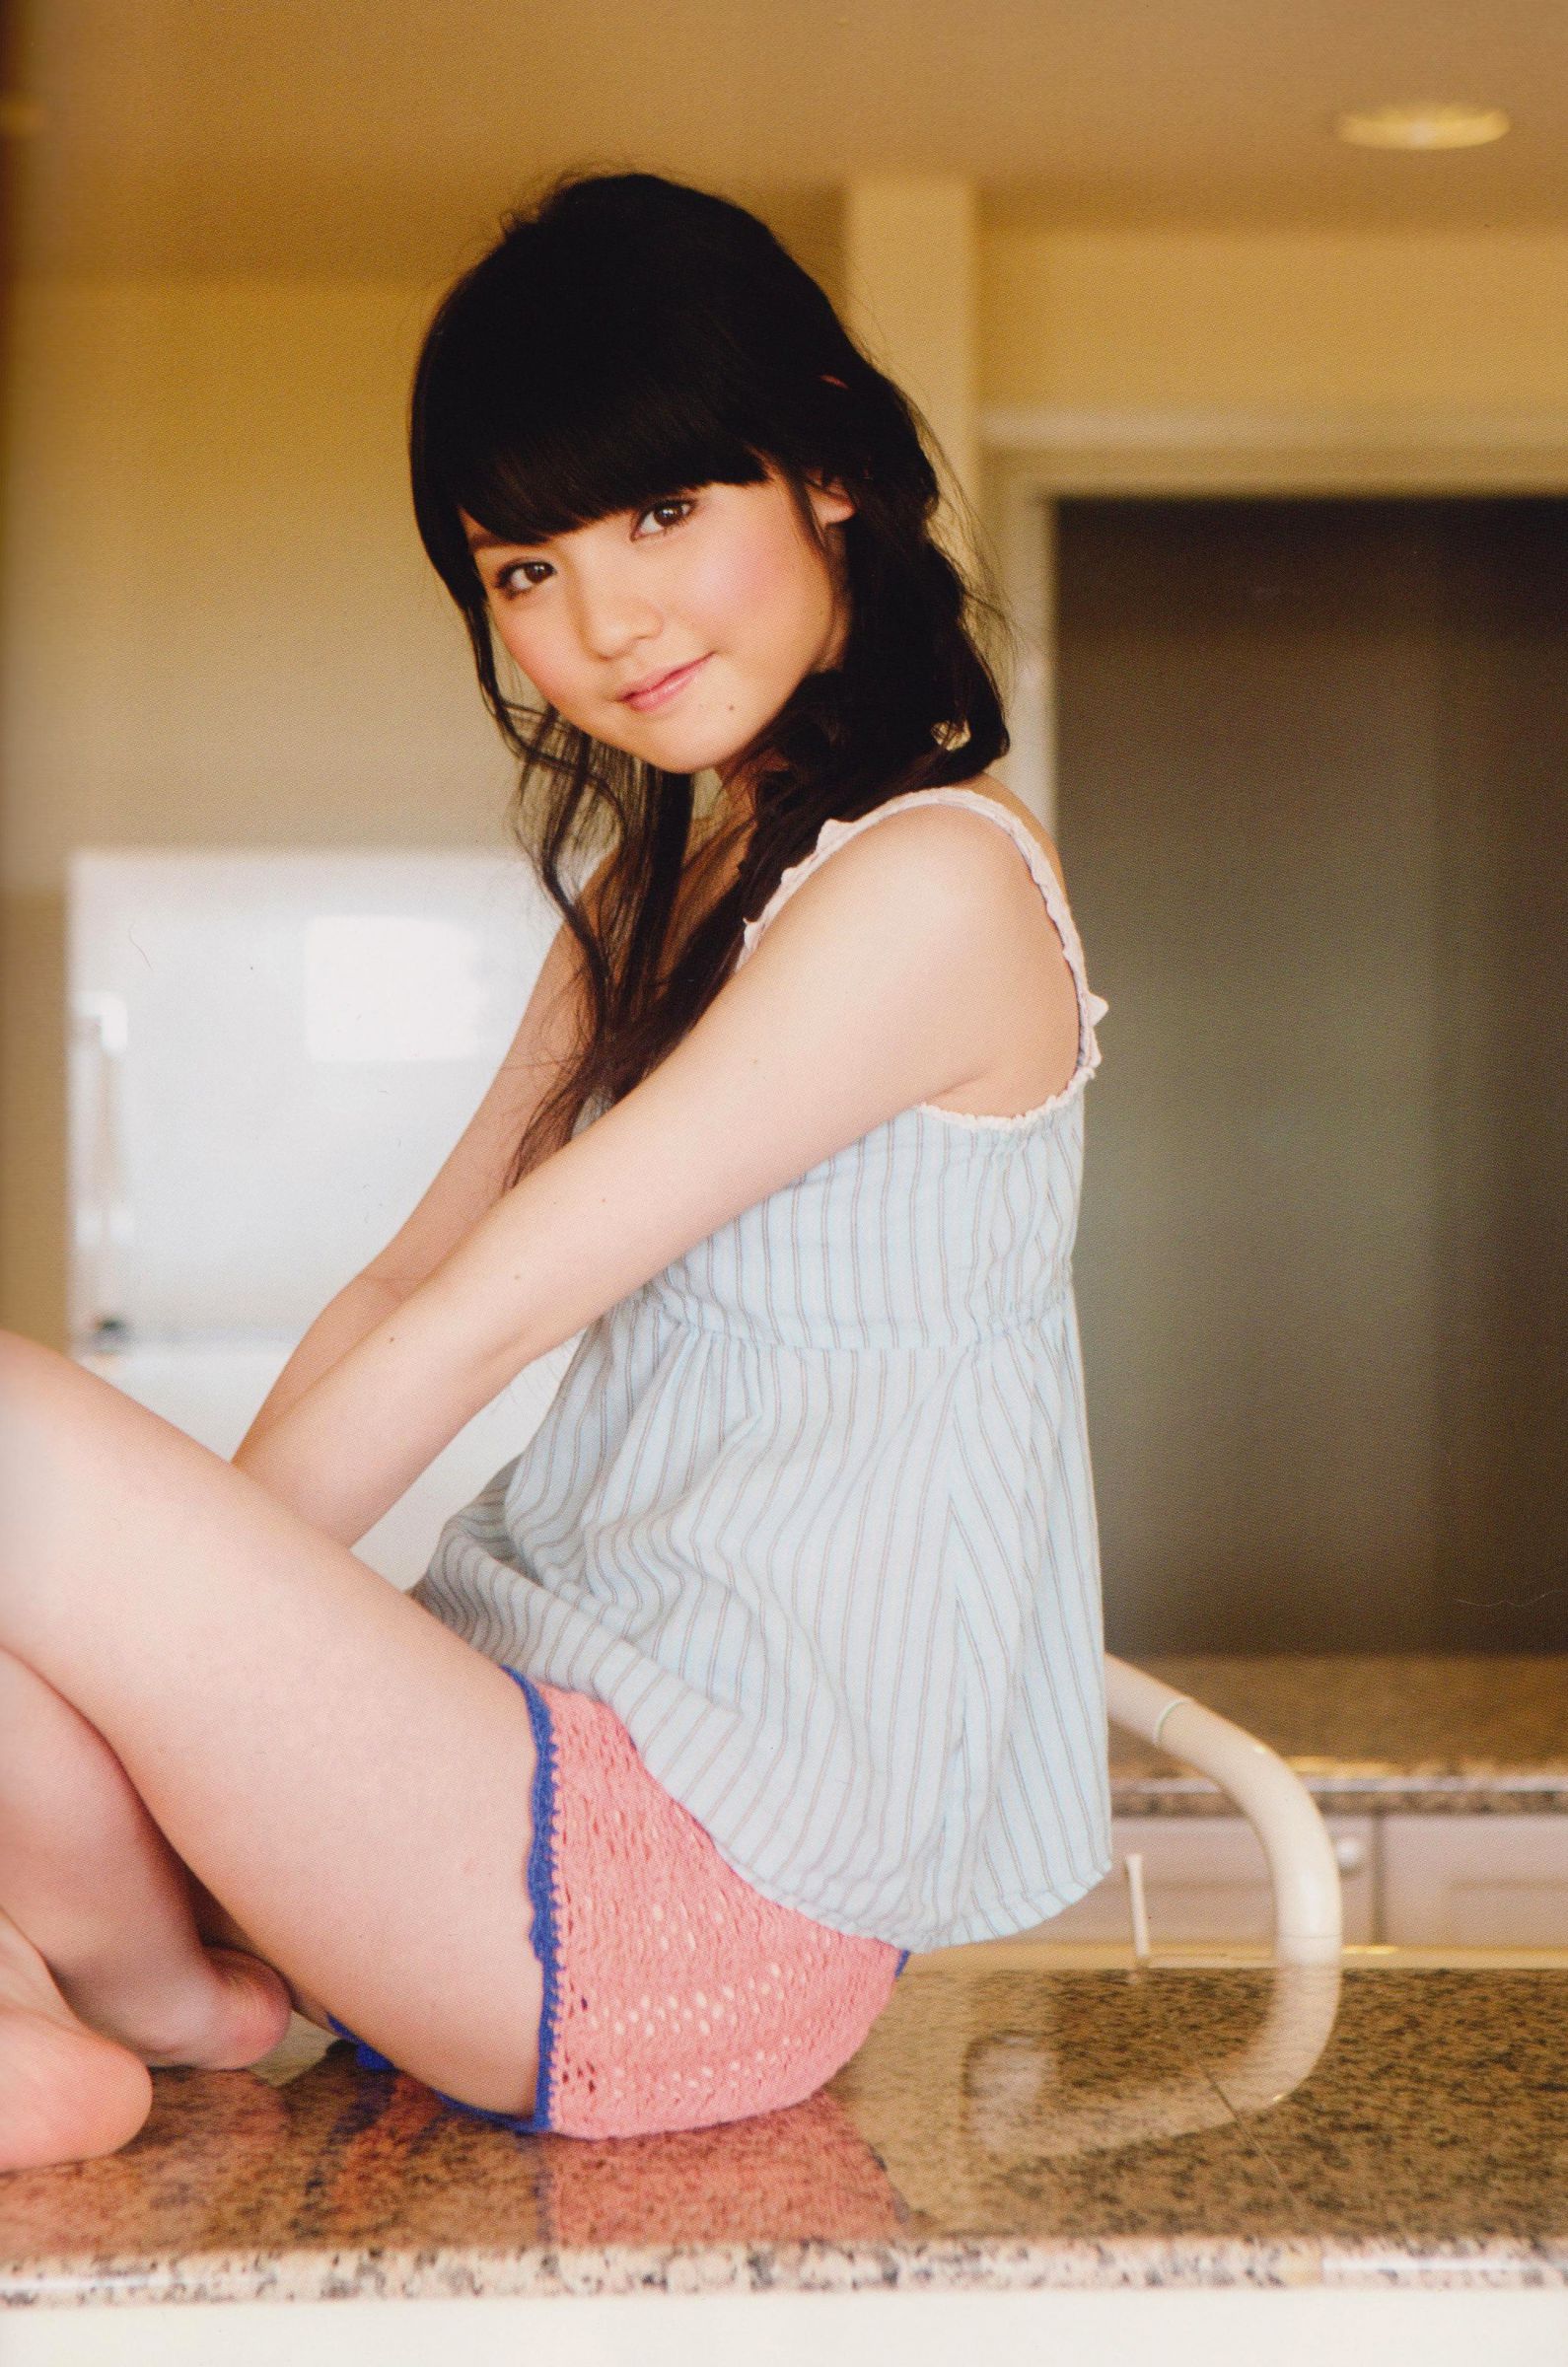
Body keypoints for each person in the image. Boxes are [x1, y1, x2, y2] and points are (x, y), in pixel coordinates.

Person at [0, 168, 1111, 2169]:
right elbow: (405, 1285)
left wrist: (160, 1644)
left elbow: (494, 1319)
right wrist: (157, 1641)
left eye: (661, 513)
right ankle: (144, 2002)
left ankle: (131, 1983)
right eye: (525, 567)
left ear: (831, 467)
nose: (601, 625)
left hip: (689, 1896)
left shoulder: (934, 883)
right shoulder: (658, 882)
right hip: (506, 1769)